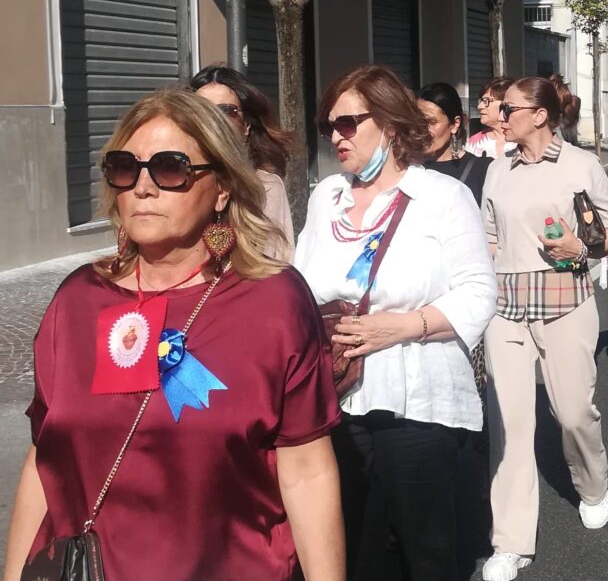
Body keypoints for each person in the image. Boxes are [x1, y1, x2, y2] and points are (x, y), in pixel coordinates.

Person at [2, 88, 344, 581]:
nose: (143, 187)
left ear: (222, 188)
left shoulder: (273, 303)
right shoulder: (77, 301)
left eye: (170, 168)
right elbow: (44, 458)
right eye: (125, 167)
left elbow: (307, 471)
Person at [294, 64, 496, 581]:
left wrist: (401, 327)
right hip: (337, 396)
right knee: (356, 547)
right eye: (328, 127)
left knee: (424, 551)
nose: (335, 137)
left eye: (347, 124)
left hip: (418, 399)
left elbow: (478, 292)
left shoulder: (442, 197)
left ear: (387, 124)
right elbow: (299, 288)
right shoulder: (325, 199)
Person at [480, 76, 608, 581]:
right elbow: (490, 237)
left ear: (539, 114)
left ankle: (593, 485)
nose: (501, 117)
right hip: (507, 306)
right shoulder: (498, 170)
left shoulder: (581, 164)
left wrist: (581, 250)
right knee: (510, 423)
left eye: (510, 109)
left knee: (572, 412)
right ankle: (511, 541)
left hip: (567, 299)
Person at [189, 63, 297, 261]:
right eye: (203, 111)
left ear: (246, 125)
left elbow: (277, 263)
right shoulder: (173, 179)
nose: (215, 121)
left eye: (226, 111)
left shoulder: (265, 187)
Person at [417, 82, 489, 205]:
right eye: (417, 121)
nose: (422, 129)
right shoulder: (409, 168)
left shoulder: (481, 169)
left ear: (455, 124)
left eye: (431, 122)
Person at [467, 77, 516, 159]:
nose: (479, 106)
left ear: (505, 103)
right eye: (480, 101)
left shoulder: (522, 141)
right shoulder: (474, 143)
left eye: (486, 101)